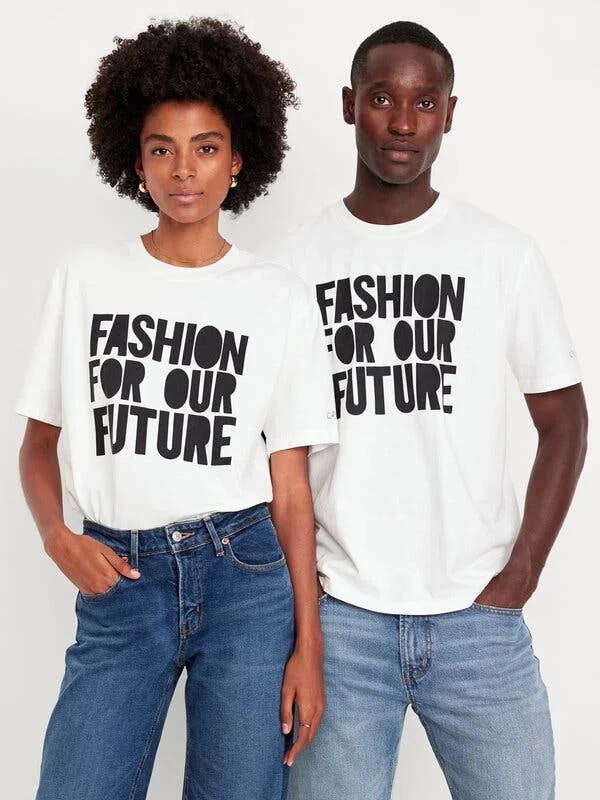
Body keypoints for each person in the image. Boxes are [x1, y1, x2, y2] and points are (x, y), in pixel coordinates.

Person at [17, 18, 337, 800]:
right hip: (121, 578)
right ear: (135, 160)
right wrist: (57, 536)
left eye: (205, 148)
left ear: (237, 163)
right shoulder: (86, 276)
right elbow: (38, 441)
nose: (183, 170)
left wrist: (310, 645)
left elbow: (291, 487)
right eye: (162, 148)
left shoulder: (276, 297)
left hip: (245, 575)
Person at [272, 20, 588, 800]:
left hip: (479, 621)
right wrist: (300, 605)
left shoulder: (501, 255)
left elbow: (566, 421)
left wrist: (523, 570)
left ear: (450, 112)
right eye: (382, 98)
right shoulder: (292, 267)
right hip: (340, 621)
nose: (404, 122)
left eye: (424, 101)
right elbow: (270, 452)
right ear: (350, 106)